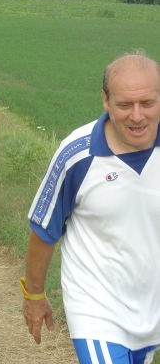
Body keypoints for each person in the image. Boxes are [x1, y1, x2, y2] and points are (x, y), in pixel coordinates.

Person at [21, 51, 160, 364]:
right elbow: (45, 229)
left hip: (150, 314)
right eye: (125, 105)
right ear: (105, 101)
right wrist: (34, 295)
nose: (137, 116)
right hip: (96, 310)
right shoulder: (77, 155)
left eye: (148, 103)